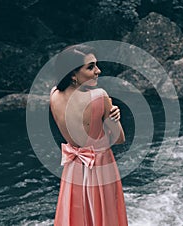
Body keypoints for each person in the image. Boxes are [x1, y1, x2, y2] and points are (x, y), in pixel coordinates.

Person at [49, 44, 128, 226]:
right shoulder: (99, 97)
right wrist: (114, 118)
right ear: (72, 74)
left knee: (76, 216)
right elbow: (119, 139)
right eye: (90, 67)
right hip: (100, 166)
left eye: (96, 65)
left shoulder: (54, 95)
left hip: (73, 167)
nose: (98, 71)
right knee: (104, 217)